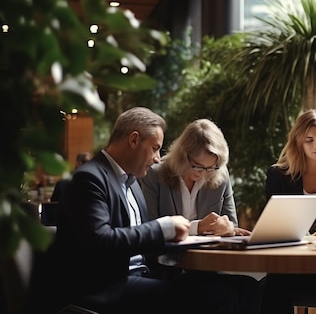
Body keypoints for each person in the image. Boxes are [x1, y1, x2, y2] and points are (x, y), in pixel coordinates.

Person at [29, 107, 261, 314]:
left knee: (246, 287)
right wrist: (165, 228)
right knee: (218, 297)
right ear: (133, 140)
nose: (157, 158)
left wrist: (187, 235)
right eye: (155, 148)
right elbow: (100, 241)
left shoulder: (130, 182)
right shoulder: (90, 178)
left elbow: (140, 239)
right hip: (105, 285)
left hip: (142, 275)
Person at [260, 109, 316, 314]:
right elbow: (275, 221)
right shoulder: (278, 175)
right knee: (275, 282)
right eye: (309, 140)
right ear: (298, 142)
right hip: (289, 261)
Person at [141, 118, 249, 237]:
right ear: (182, 156)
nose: (203, 174)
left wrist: (228, 229)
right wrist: (197, 227)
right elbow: (149, 229)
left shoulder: (220, 174)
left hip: (208, 253)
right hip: (167, 254)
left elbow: (231, 224)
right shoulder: (154, 174)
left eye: (210, 168)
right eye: (197, 166)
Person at [42, 152, 93, 225]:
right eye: (86, 163)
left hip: (64, 223)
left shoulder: (63, 183)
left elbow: (53, 203)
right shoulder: (92, 182)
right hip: (85, 223)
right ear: (79, 164)